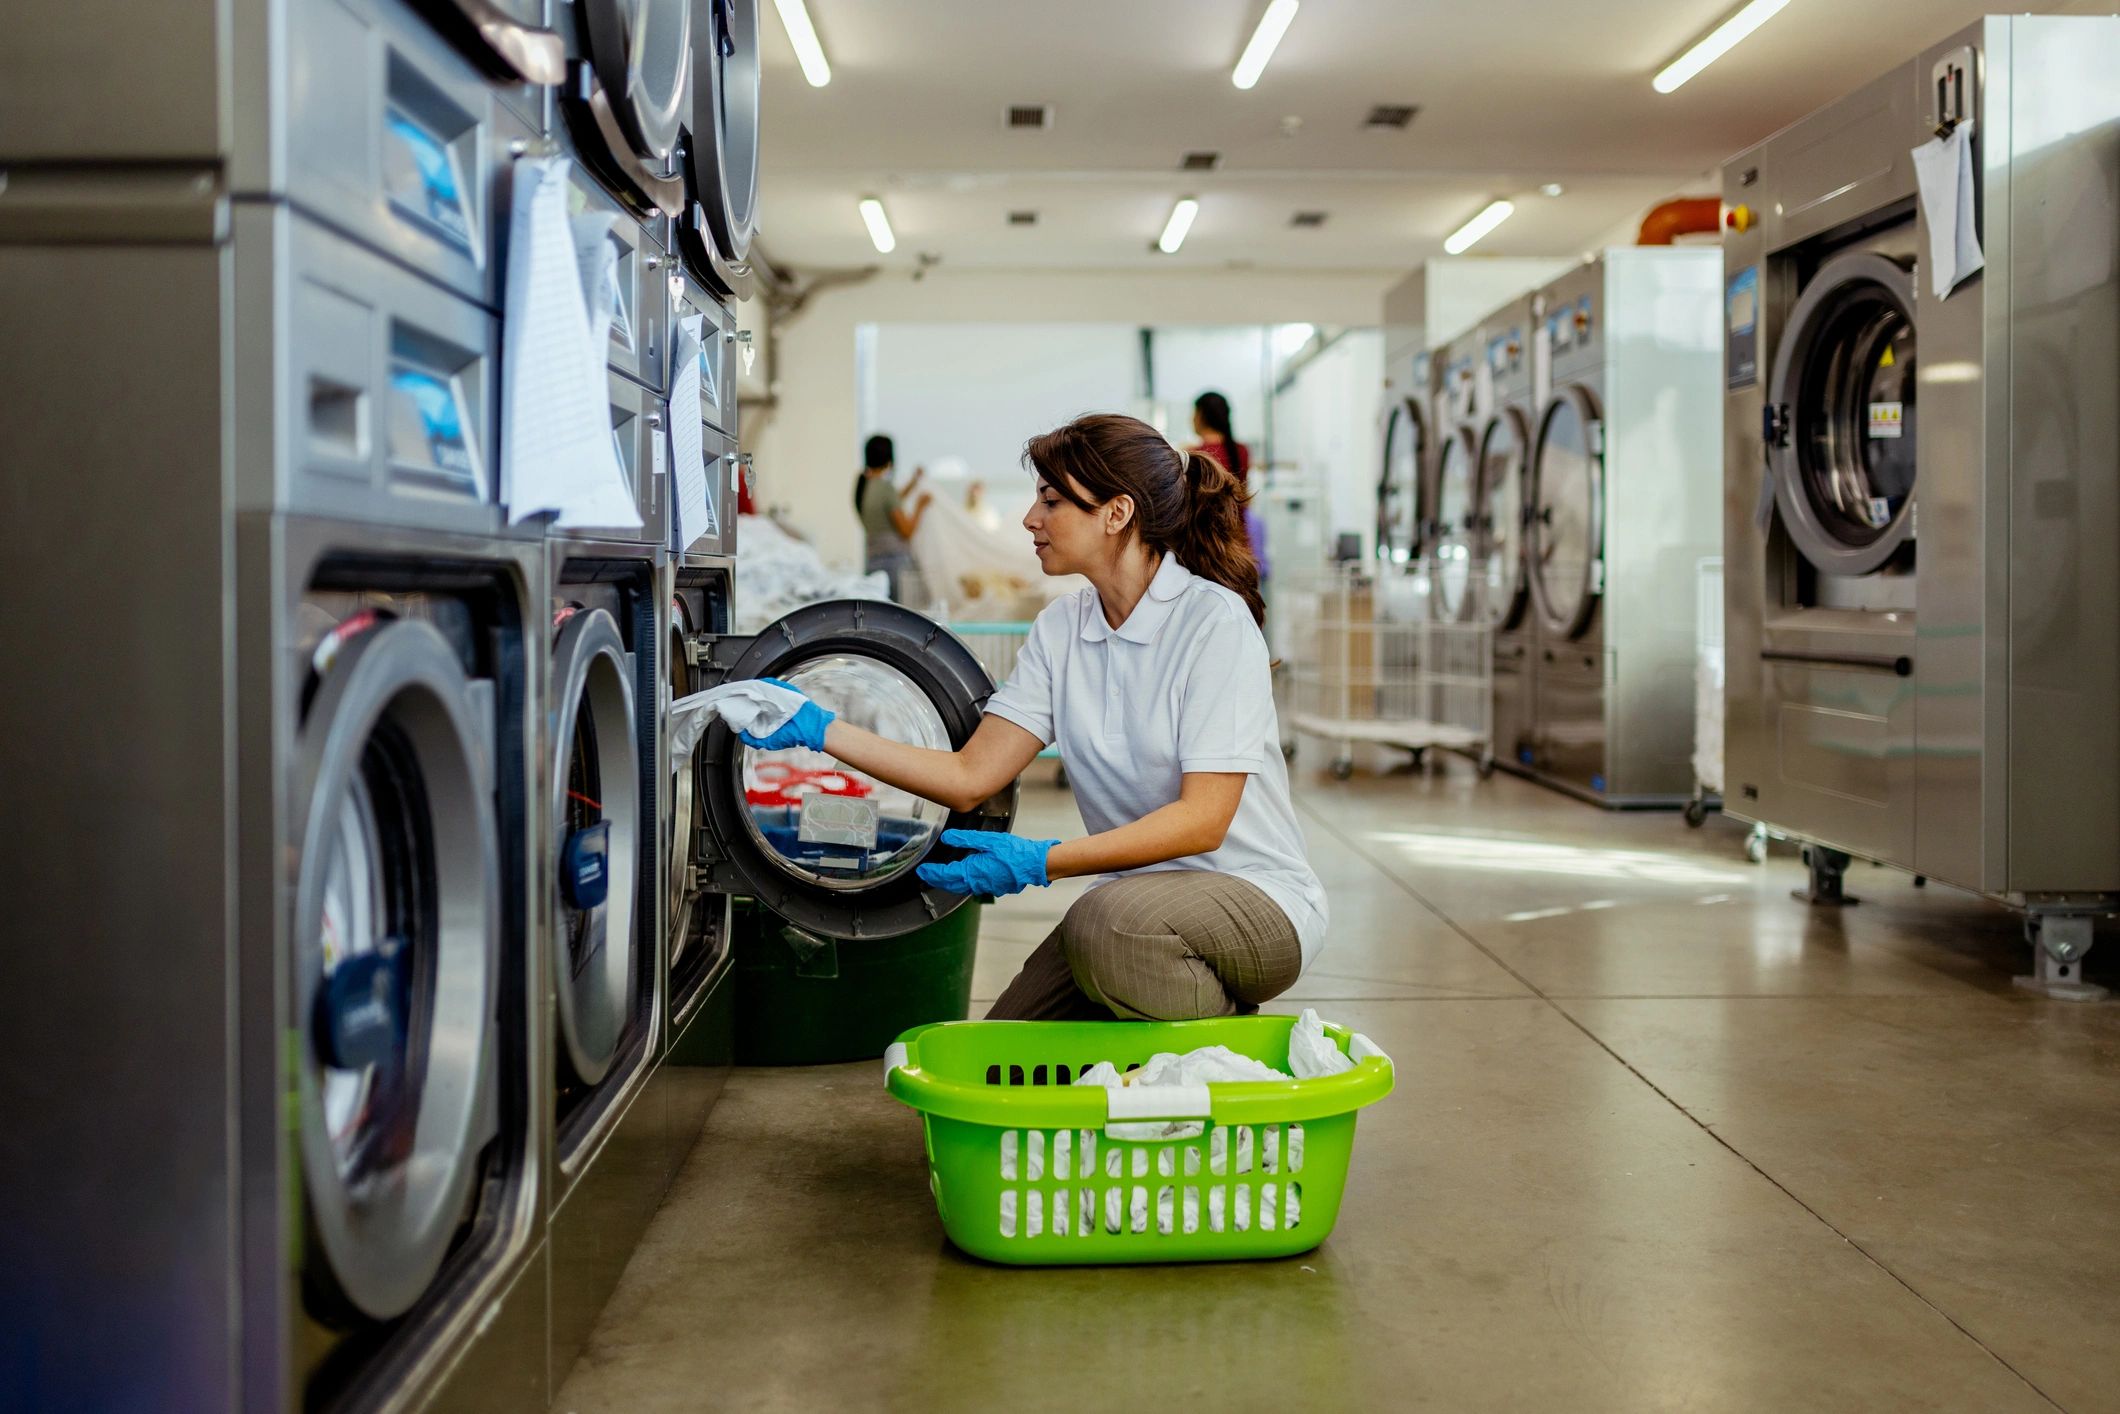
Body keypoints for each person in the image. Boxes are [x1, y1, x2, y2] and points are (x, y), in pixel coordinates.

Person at [729, 413, 1326, 1021]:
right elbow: (969, 775)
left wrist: (1042, 861)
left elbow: (1203, 822)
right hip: (1136, 911)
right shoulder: (1063, 628)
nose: (1030, 518)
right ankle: (1158, 1045)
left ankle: (1226, 1054)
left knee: (1103, 927)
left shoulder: (1212, 622)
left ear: (1117, 513)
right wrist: (821, 727)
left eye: (1051, 499)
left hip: (1254, 900)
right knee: (1005, 1040)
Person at [1188, 391, 1269, 582]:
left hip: (1208, 550)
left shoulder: (1197, 455)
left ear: (1200, 416)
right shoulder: (1241, 451)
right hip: (1239, 546)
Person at [853, 434, 931, 602]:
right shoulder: (885, 488)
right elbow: (907, 531)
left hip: (873, 562)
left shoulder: (864, 487)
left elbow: (891, 502)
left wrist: (913, 482)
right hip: (894, 566)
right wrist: (920, 507)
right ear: (889, 458)